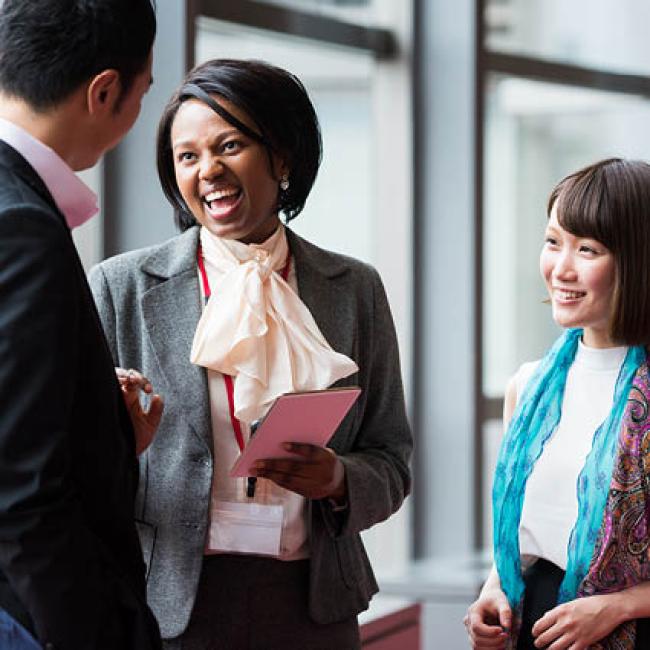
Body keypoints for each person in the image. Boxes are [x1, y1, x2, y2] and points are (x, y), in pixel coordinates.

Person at [89, 58, 413, 649]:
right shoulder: (120, 287)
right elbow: (70, 464)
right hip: (168, 606)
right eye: (187, 156)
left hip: (312, 607)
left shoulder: (354, 288)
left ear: (282, 157)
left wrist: (340, 479)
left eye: (229, 145)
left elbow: (393, 457)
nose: (207, 170)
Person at [0, 1, 163, 648]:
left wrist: (110, 433)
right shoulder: (22, 228)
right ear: (104, 91)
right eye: (143, 93)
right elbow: (20, 486)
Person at [465, 158, 650, 650]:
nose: (560, 268)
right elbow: (531, 533)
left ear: (637, 260)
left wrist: (617, 606)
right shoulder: (529, 388)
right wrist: (494, 588)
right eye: (553, 242)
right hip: (540, 627)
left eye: (587, 249)